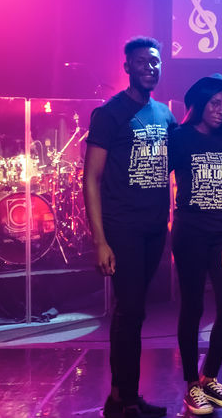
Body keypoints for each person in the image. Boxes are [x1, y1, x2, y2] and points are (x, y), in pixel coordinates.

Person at [84, 37, 176, 418]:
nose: (150, 68)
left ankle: (124, 397)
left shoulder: (165, 115)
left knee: (136, 312)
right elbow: (91, 179)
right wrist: (100, 241)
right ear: (127, 67)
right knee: (130, 309)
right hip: (122, 229)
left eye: (155, 62)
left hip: (154, 230)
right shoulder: (109, 114)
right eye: (142, 62)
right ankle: (123, 400)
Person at [169, 73, 222, 415]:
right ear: (200, 103)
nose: (221, 110)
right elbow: (160, 180)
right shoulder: (180, 138)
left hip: (221, 238)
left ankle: (209, 376)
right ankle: (191, 385)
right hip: (189, 234)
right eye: (215, 103)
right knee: (193, 308)